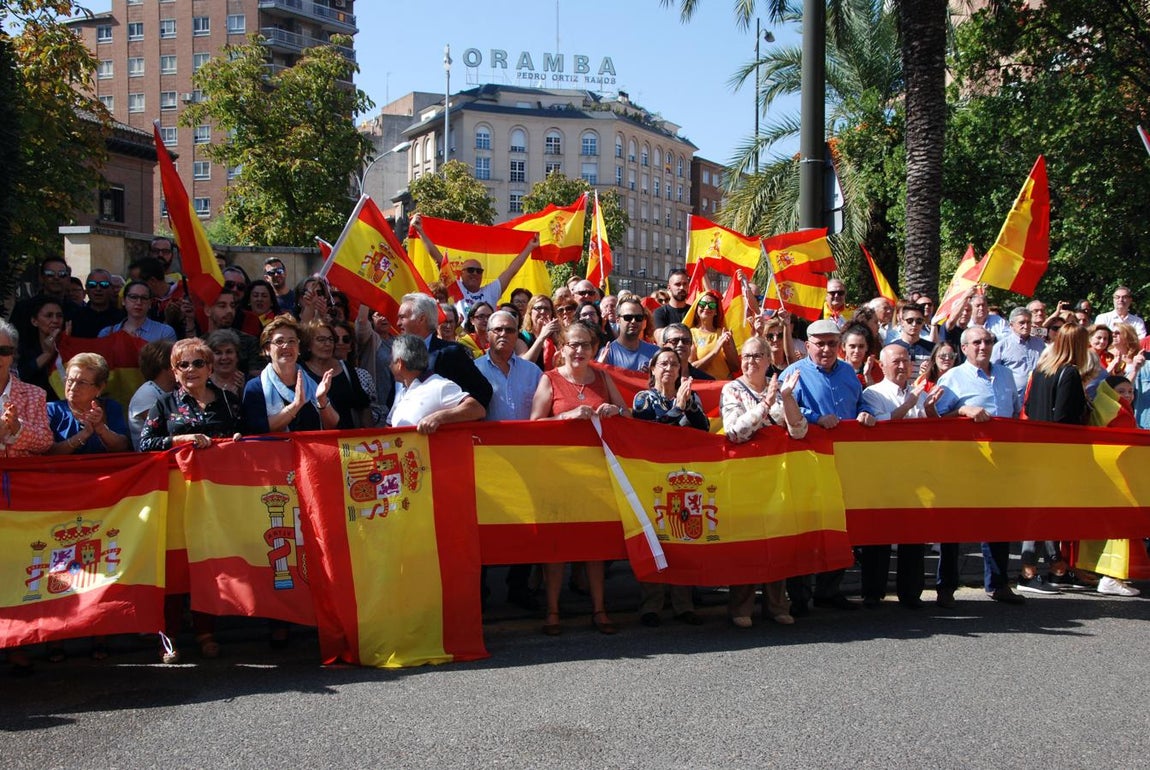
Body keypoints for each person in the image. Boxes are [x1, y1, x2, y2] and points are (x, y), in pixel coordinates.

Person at [139, 337, 245, 663]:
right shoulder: (164, 405)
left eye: (198, 363)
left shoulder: (227, 401)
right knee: (174, 567)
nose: (191, 370)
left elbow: (243, 437)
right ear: (173, 370)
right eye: (183, 364)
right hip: (175, 497)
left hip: (215, 497)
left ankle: (206, 631)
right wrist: (179, 439)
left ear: (210, 368)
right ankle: (169, 636)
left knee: (208, 562)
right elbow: (146, 444)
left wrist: (238, 442)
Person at [530, 320, 630, 636]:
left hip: (597, 474)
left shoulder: (602, 377)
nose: (578, 350)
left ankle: (600, 609)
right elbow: (533, 425)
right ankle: (552, 611)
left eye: (585, 344)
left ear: (593, 349)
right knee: (557, 545)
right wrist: (565, 417)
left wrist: (614, 412)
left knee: (595, 545)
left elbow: (627, 413)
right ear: (562, 349)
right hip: (559, 475)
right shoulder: (549, 380)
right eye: (573, 344)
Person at [781, 319, 875, 613]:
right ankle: (799, 596)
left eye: (831, 344)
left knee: (841, 527)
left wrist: (866, 414)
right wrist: (815, 416)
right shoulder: (792, 374)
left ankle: (829, 589)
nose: (825, 349)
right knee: (806, 528)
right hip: (807, 463)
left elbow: (862, 403)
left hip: (845, 463)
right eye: (819, 344)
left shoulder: (849, 372)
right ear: (807, 346)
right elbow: (781, 411)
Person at [721, 337, 808, 627]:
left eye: (757, 356)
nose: (750, 361)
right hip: (745, 476)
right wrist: (766, 404)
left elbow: (798, 430)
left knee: (777, 538)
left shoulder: (782, 386)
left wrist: (788, 398)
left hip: (778, 476)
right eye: (746, 356)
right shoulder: (732, 389)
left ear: (768, 360)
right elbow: (735, 431)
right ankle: (741, 607)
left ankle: (777, 604)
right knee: (747, 541)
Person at [935, 326, 1024, 606]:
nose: (983, 346)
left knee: (998, 523)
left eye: (987, 341)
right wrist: (962, 411)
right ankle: (946, 588)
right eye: (976, 342)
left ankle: (998, 584)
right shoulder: (952, 378)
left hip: (1000, 461)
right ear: (964, 348)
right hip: (964, 461)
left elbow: (1016, 412)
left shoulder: (1006, 374)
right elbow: (936, 418)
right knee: (954, 527)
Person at [860, 345, 943, 608]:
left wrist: (929, 410)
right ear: (882, 366)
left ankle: (911, 592)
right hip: (883, 473)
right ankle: (873, 593)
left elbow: (933, 434)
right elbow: (883, 425)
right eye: (896, 361)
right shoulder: (873, 393)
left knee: (913, 536)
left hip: (914, 474)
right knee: (879, 538)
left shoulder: (920, 394)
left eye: (906, 361)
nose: (902, 366)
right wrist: (909, 404)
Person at [632, 346, 709, 627]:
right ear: (652, 369)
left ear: (680, 370)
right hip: (652, 477)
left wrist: (687, 404)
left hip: (685, 477)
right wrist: (677, 407)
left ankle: (683, 604)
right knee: (655, 539)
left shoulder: (691, 396)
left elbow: (703, 429)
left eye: (674, 364)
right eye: (662, 363)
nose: (668, 368)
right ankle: (651, 604)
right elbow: (651, 432)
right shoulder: (643, 399)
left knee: (683, 537)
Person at [476, 310, 544, 610]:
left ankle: (519, 587)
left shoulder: (533, 372)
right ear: (486, 334)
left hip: (527, 462)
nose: (504, 334)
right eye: (498, 329)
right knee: (483, 528)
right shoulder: (473, 370)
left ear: (519, 334)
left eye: (510, 330)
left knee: (527, 528)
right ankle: (480, 591)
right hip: (486, 461)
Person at [1019, 323, 1092, 595]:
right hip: (1059, 451)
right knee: (1043, 513)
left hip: (1038, 448)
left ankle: (1053, 565)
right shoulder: (1070, 372)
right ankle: (1029, 569)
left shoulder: (1041, 368)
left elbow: (1028, 406)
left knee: (1043, 510)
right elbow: (1064, 417)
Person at [411, 213, 540, 319]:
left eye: (479, 271)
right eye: (470, 270)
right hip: (462, 341)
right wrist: (421, 231)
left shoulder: (491, 292)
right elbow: (438, 259)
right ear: (461, 274)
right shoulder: (455, 287)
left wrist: (530, 247)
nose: (475, 273)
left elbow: (512, 270)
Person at [391, 293, 493, 416]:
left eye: (403, 317)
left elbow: (482, 393)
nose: (398, 323)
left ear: (421, 319)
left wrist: (443, 418)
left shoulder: (450, 353)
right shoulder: (399, 353)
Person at [242, 315, 339, 434]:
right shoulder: (255, 387)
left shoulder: (313, 381)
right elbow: (257, 429)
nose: (286, 346)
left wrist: (322, 400)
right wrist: (296, 405)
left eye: (292, 341)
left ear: (298, 349)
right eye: (279, 341)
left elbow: (332, 426)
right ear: (267, 349)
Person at [388, 334, 485, 432]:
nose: (389, 365)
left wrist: (439, 418)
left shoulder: (439, 386)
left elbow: (477, 409)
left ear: (400, 363)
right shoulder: (402, 390)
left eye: (392, 360)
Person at [46, 353, 131, 454]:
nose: (72, 388)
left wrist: (100, 428)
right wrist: (82, 435)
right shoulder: (51, 410)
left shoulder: (110, 407)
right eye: (70, 380)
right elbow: (48, 452)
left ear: (99, 388)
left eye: (82, 383)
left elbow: (123, 447)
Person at [300, 319, 371, 430]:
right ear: (308, 344)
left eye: (331, 339)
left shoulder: (345, 368)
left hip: (346, 442)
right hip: (313, 442)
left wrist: (368, 435)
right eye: (321, 339)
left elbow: (363, 406)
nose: (327, 344)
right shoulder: (299, 370)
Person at [0, 319, 53, 459]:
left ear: (12, 355)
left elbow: (46, 442)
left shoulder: (35, 394)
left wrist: (18, 428)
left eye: (3, 351)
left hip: (22, 478)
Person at [332, 319, 382, 427]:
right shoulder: (319, 374)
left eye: (345, 339)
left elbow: (375, 410)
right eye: (335, 339)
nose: (340, 342)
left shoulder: (362, 375)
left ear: (351, 346)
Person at [127, 340, 175, 449]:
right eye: (179, 362)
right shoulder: (146, 393)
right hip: (151, 459)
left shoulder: (176, 390)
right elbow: (162, 431)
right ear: (165, 365)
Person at [98, 281, 178, 343]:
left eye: (144, 298)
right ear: (123, 301)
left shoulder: (164, 332)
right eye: (133, 297)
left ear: (150, 303)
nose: (139, 302)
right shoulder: (107, 333)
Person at [991, 307, 1045, 398]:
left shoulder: (1039, 343)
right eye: (1021, 323)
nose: (1026, 326)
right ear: (1011, 325)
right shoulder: (1002, 346)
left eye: (1028, 322)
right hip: (1014, 398)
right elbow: (992, 373)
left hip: (1038, 395)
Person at [17, 296, 65, 396]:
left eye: (59, 316)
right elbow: (20, 376)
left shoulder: (68, 346)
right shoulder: (22, 349)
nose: (55, 320)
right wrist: (47, 355)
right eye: (49, 316)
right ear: (34, 321)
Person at [599, 298, 659, 372]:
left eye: (638, 318)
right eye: (628, 317)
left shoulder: (656, 352)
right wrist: (600, 367)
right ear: (618, 320)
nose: (633, 321)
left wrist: (652, 376)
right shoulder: (607, 354)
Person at [689, 291, 739, 379]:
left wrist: (727, 348)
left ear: (716, 312)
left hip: (724, 386)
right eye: (702, 304)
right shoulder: (690, 334)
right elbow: (691, 369)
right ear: (696, 309)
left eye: (712, 305)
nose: (707, 307)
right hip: (703, 387)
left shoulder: (724, 333)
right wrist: (716, 350)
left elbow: (735, 367)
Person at [71, 268, 125, 338]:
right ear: (86, 289)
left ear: (111, 288)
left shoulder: (122, 318)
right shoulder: (75, 317)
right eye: (92, 284)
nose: (98, 289)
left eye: (104, 284)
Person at [520, 294, 561, 370]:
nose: (543, 312)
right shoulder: (522, 337)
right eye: (538, 308)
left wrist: (556, 342)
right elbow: (524, 364)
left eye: (547, 309)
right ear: (530, 312)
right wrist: (542, 336)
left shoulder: (559, 334)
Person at [205, 329, 246, 396]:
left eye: (229, 352)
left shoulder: (249, 383)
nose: (224, 357)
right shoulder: (203, 384)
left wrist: (243, 391)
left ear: (237, 355)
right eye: (218, 353)